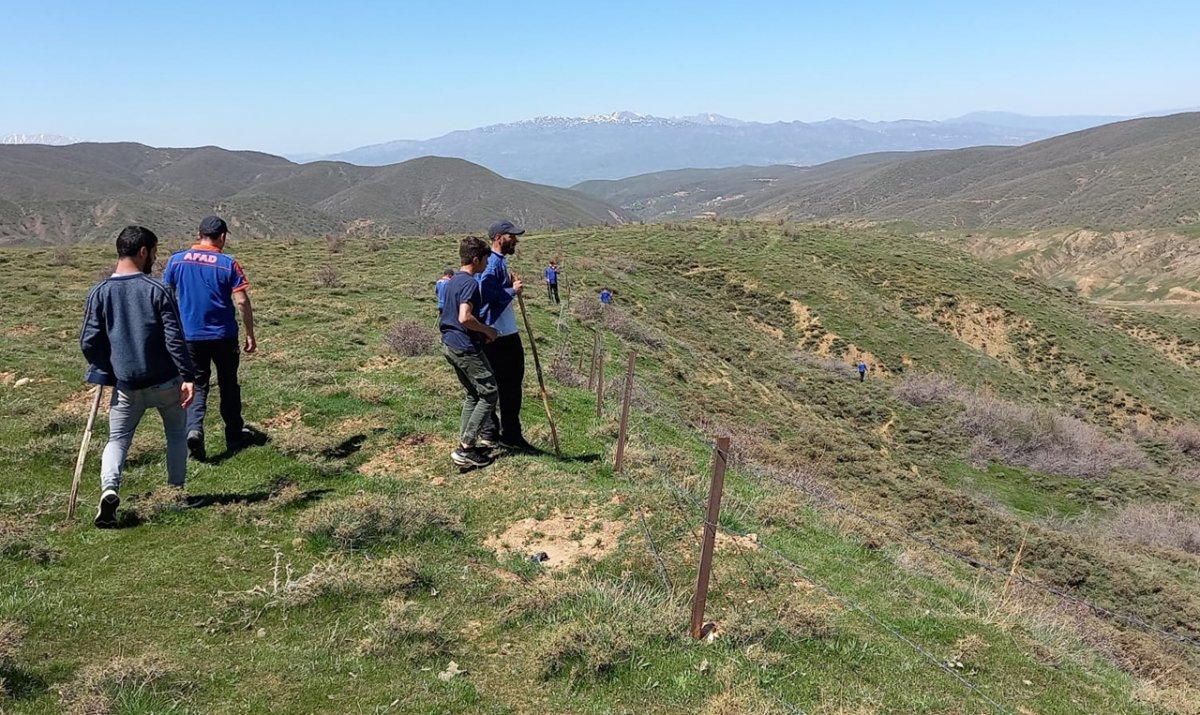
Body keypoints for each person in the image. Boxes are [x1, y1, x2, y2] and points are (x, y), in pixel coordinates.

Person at [80, 226, 197, 528]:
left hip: (125, 385)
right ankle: (175, 493)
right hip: (165, 381)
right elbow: (175, 339)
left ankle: (109, 489)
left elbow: (89, 341)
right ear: (143, 251)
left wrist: (106, 368)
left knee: (117, 440)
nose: (155, 259)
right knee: (175, 435)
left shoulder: (100, 292)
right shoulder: (157, 290)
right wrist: (188, 375)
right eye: (154, 252)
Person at [162, 216, 256, 461]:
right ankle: (234, 435)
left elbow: (165, 297)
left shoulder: (176, 260)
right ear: (222, 237)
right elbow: (242, 301)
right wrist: (250, 333)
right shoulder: (227, 263)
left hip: (189, 336)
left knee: (196, 384)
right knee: (228, 384)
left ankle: (194, 430)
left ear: (198, 233)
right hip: (223, 335)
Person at [440, 236, 500, 468]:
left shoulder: (453, 279)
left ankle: (468, 445)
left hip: (450, 343)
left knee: (473, 394)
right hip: (464, 346)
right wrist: (488, 331)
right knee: (489, 392)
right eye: (485, 259)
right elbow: (464, 317)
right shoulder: (470, 283)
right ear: (476, 259)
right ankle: (466, 447)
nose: (487, 263)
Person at [477, 220, 535, 453]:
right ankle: (508, 434)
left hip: (500, 333)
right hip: (500, 335)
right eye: (512, 236)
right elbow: (484, 291)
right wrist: (513, 290)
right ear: (500, 237)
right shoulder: (492, 263)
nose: (516, 240)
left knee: (501, 385)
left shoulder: (498, 261)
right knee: (509, 386)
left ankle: (495, 432)